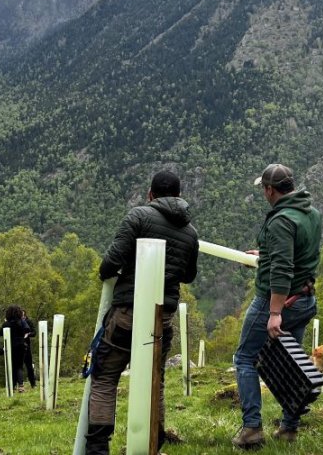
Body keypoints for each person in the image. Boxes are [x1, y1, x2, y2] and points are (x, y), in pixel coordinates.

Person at [85, 171, 199, 455]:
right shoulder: (190, 232)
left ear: (150, 194)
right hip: (163, 318)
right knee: (154, 381)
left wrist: (107, 274)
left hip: (128, 313)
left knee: (105, 376)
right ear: (179, 195)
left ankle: (98, 447)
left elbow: (112, 261)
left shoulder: (138, 217)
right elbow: (188, 275)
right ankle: (153, 442)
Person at [232, 163, 321, 449]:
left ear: (270, 189)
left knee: (245, 358)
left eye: (264, 189)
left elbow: (282, 268)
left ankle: (251, 428)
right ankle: (289, 428)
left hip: (280, 301)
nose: (263, 193)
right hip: (305, 299)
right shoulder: (311, 213)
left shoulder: (281, 220)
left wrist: (273, 312)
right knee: (291, 364)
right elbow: (298, 253)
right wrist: (265, 252)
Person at [0, 305, 31, 393]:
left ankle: (12, 386)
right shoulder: (22, 322)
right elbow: (27, 330)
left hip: (9, 346)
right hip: (21, 346)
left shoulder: (7, 323)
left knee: (11, 366)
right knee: (19, 366)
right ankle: (21, 386)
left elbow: (0, 333)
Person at [21, 309, 36, 389]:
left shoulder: (28, 322)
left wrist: (28, 334)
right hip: (18, 346)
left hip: (27, 346)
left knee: (29, 366)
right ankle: (19, 384)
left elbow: (34, 332)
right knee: (18, 367)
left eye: (23, 315)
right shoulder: (17, 322)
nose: (22, 317)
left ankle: (33, 383)